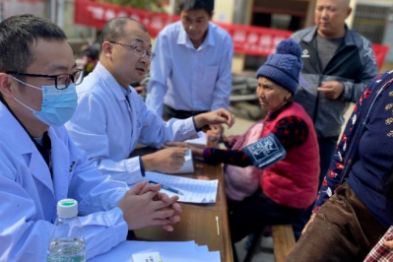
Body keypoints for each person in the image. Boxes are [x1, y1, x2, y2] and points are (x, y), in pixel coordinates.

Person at [0, 15, 182, 261]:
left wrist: (138, 201)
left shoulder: (51, 128)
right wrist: (120, 218)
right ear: (8, 84)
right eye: (57, 78)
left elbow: (84, 180)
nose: (68, 89)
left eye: (72, 76)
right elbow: (21, 245)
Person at [169, 39, 320, 252]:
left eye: (268, 87)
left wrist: (206, 152)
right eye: (259, 85)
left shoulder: (292, 123)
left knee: (225, 229)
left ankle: (219, 251)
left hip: (286, 200)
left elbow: (250, 157)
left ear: (287, 92)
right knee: (220, 206)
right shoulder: (281, 113)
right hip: (274, 187)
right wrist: (226, 140)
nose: (260, 93)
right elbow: (257, 144)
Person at [65, 17, 234, 185]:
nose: (145, 59)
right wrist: (147, 163)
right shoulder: (89, 97)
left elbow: (159, 132)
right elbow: (87, 173)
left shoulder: (129, 94)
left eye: (148, 52)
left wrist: (200, 120)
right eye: (138, 49)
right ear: (108, 49)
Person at [284, 69, 393, 261]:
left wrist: (345, 89)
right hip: (350, 208)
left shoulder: (291, 122)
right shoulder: (383, 85)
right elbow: (343, 153)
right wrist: (320, 209)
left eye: (267, 86)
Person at [291, 0, 378, 235]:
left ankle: (301, 241)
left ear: (347, 13)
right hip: (289, 133)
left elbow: (373, 89)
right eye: (320, 8)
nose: (324, 14)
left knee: (314, 192)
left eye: (331, 9)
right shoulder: (298, 40)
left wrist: (344, 89)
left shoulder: (359, 47)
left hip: (325, 136)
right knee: (279, 185)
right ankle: (262, 237)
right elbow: (276, 73)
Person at [145, 0, 233, 119]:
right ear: (180, 14)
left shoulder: (223, 40)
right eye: (187, 19)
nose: (192, 27)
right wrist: (153, 120)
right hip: (172, 113)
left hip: (207, 115)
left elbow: (223, 84)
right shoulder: (167, 37)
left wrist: (216, 118)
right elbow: (158, 81)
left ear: (211, 16)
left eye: (199, 20)